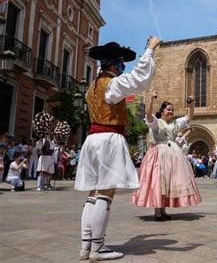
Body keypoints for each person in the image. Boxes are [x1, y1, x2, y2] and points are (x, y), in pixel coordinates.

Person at [74, 37, 160, 261]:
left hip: (92, 139)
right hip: (108, 139)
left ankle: (86, 246)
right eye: (122, 63)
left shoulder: (92, 87)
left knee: (93, 193)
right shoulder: (111, 83)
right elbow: (139, 79)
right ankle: (98, 248)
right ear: (114, 64)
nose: (123, 68)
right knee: (105, 192)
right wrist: (149, 50)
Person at [132, 93, 202, 220]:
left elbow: (189, 116)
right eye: (168, 109)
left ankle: (163, 209)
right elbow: (148, 115)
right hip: (159, 153)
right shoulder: (156, 123)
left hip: (173, 154)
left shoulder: (176, 123)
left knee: (168, 181)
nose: (170, 111)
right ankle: (157, 211)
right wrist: (151, 100)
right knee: (158, 181)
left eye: (172, 110)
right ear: (162, 111)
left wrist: (191, 104)